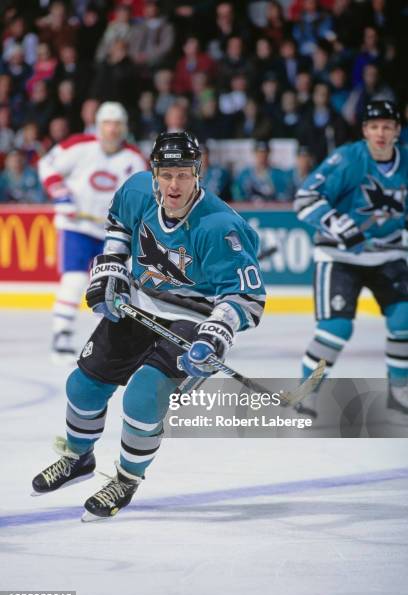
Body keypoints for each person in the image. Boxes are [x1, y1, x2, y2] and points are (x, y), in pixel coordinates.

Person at [31, 131, 266, 521]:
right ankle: (78, 457)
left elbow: (245, 297)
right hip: (138, 303)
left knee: (142, 397)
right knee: (83, 385)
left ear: (198, 174)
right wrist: (109, 272)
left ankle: (126, 478)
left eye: (184, 174)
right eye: (166, 174)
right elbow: (118, 229)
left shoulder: (221, 226)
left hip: (192, 318)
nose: (174, 185)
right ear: (154, 172)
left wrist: (215, 335)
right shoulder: (137, 190)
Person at [293, 100, 408, 417]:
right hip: (340, 255)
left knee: (404, 320)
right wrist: (340, 225)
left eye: (387, 126)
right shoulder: (348, 158)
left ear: (398, 130)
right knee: (335, 330)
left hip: (389, 255)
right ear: (364, 131)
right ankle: (306, 392)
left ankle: (400, 392)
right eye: (374, 127)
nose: (380, 133)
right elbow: (305, 198)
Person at [38, 101, 147, 362]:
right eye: (107, 124)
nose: (111, 130)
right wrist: (60, 193)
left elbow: (143, 195)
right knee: (74, 280)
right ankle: (61, 335)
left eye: (117, 125)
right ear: (98, 126)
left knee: (113, 285)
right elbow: (47, 165)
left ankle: (111, 339)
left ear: (124, 128)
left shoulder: (134, 158)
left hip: (113, 234)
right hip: (77, 227)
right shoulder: (79, 145)